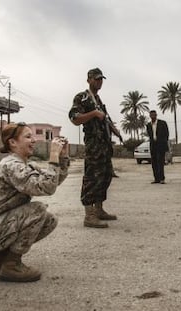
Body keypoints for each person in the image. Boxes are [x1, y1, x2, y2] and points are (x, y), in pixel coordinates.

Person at [0, 123, 69, 282]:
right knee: (37, 210)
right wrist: (52, 156)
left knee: (49, 220)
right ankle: (11, 265)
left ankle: (2, 258)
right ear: (12, 142)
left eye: (32, 136)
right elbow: (46, 187)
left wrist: (62, 157)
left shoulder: (26, 165)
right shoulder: (11, 165)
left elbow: (53, 181)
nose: (33, 140)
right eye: (28, 137)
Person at [69, 67, 117, 229]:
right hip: (93, 145)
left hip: (104, 145)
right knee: (92, 178)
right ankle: (89, 215)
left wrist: (115, 131)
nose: (99, 82)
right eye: (96, 79)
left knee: (105, 177)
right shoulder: (83, 98)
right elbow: (74, 118)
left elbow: (106, 119)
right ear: (89, 79)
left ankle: (99, 210)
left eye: (101, 79)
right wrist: (94, 114)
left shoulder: (98, 100)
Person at [146, 110, 169, 184]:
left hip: (161, 145)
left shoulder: (162, 123)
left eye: (154, 115)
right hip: (153, 145)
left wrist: (164, 142)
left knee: (160, 162)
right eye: (151, 115)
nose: (153, 116)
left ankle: (162, 179)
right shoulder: (148, 125)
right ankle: (156, 179)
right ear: (150, 116)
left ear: (156, 115)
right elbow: (150, 135)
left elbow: (166, 134)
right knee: (154, 162)